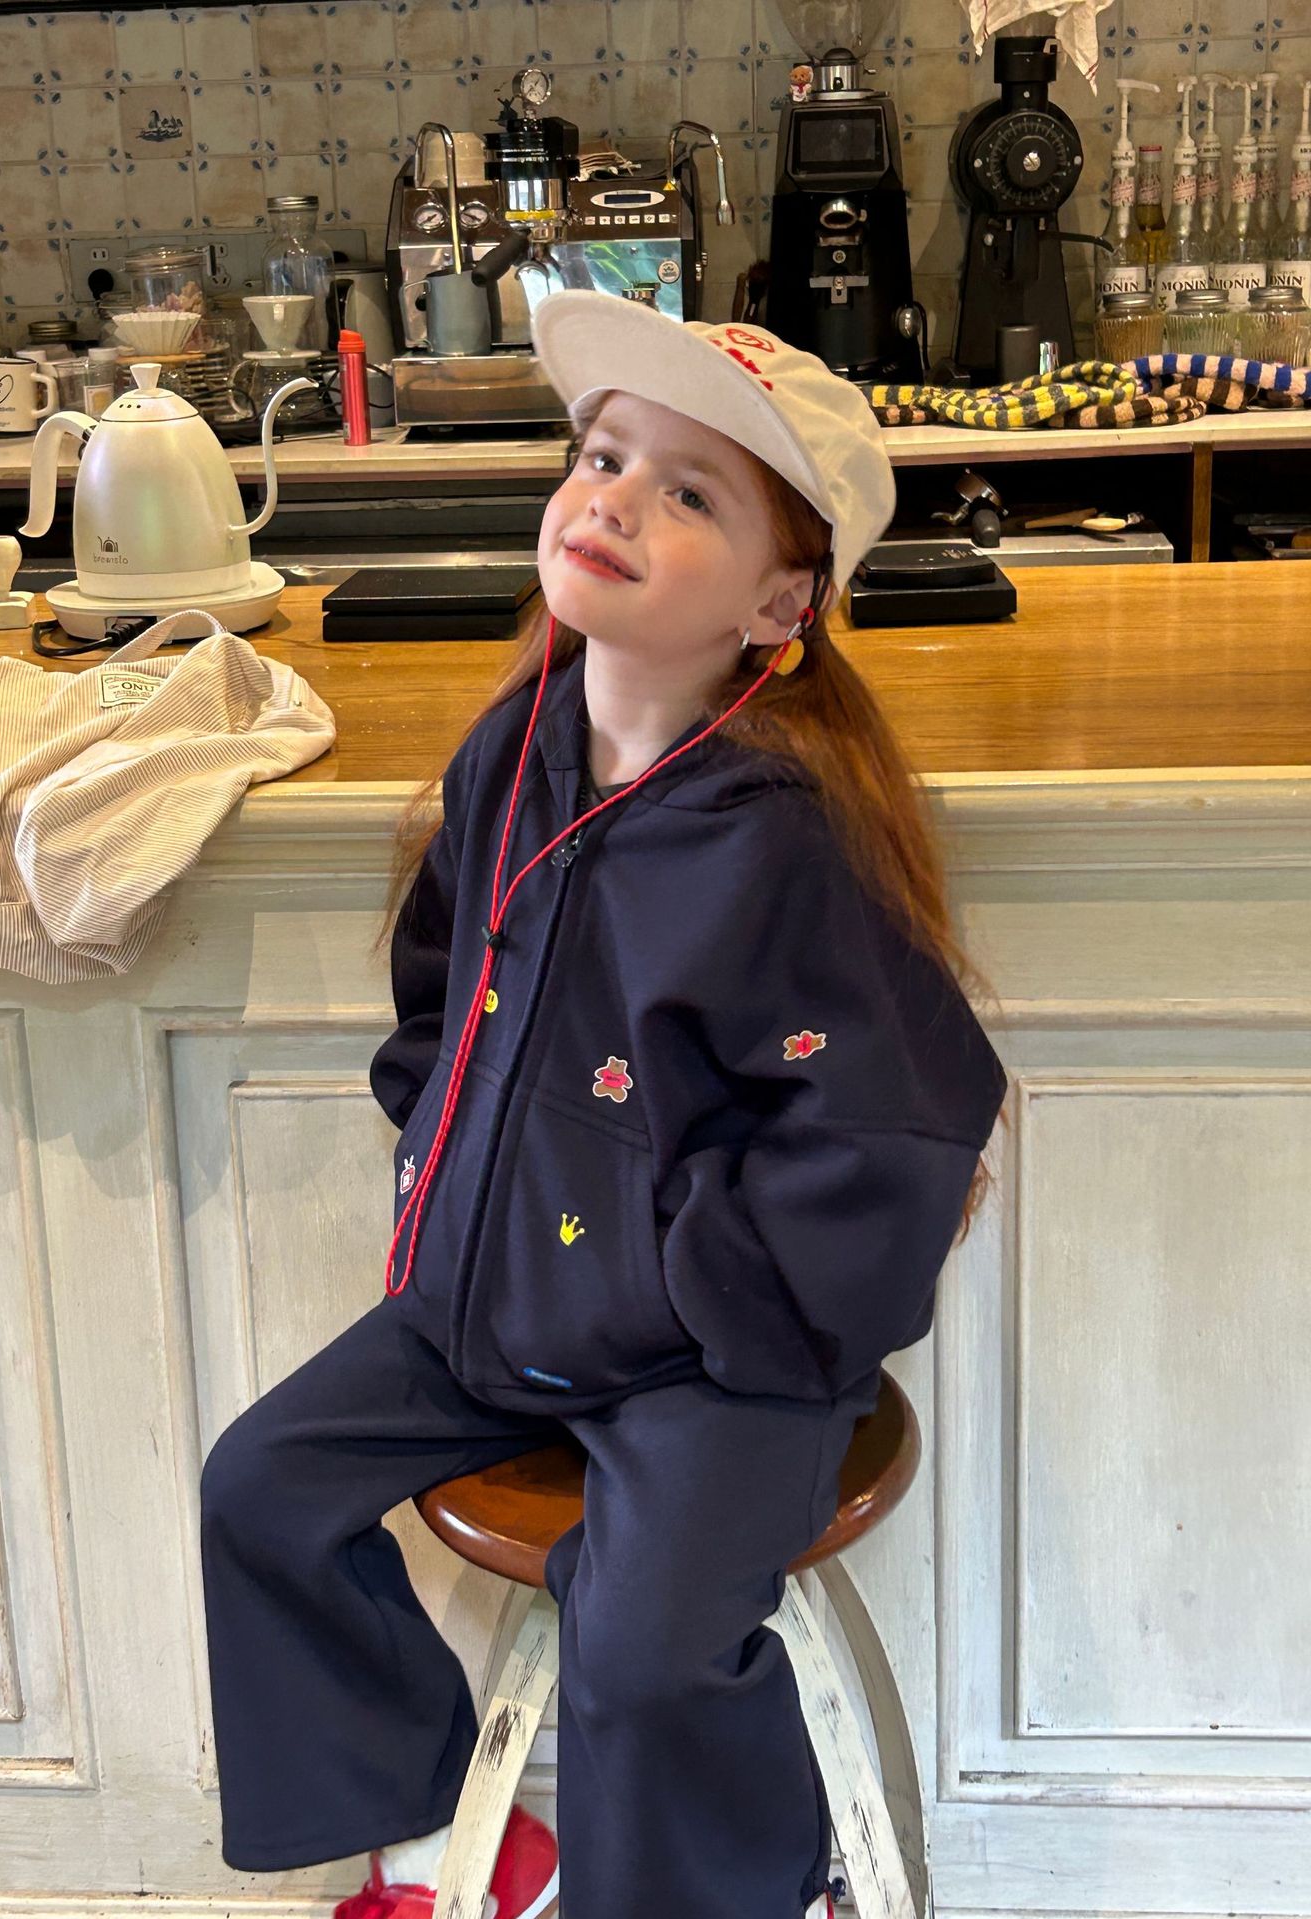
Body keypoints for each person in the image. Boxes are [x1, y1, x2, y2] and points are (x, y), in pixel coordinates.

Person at [198, 290, 1009, 1919]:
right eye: (602, 455)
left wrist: (693, 1284)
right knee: (257, 1489)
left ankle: (744, 1891)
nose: (615, 499)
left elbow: (901, 1125)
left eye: (688, 490)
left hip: (713, 1361)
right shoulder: (512, 754)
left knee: (640, 1651)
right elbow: (438, 991)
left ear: (781, 599)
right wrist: (445, 1165)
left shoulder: (787, 835)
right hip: (492, 1297)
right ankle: (450, 1837)